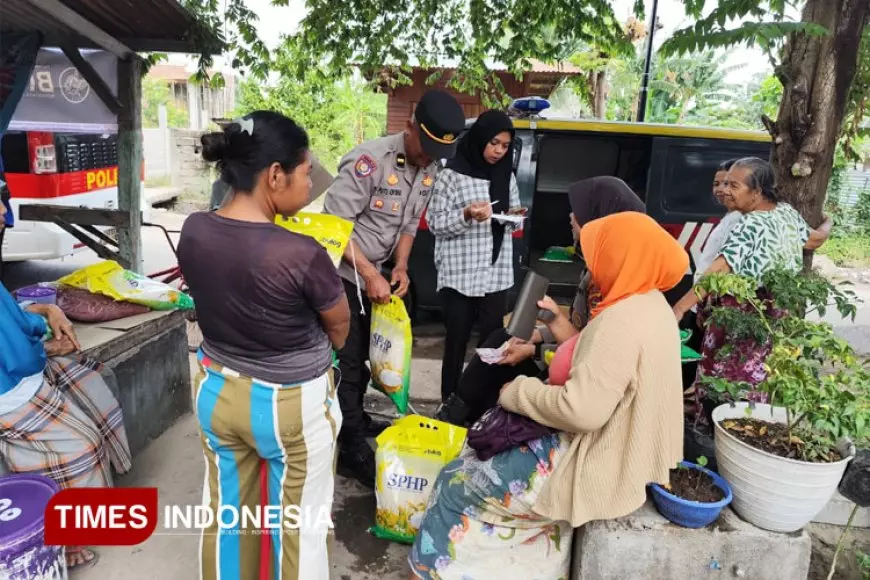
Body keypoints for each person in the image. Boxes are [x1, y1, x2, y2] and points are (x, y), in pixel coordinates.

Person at [409, 212, 688, 579]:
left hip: (593, 458)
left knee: (457, 480)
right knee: (480, 449)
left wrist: (519, 392)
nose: (590, 263)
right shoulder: (652, 305)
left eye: (598, 253)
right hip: (620, 450)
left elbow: (581, 411)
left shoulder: (620, 320)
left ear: (622, 255)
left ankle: (429, 570)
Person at [177, 111, 350, 580]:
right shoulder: (301, 252)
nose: (311, 182)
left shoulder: (193, 229)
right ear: (275, 175)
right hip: (290, 407)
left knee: (227, 518)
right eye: (307, 171)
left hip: (217, 392)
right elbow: (339, 328)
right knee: (298, 530)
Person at [323, 89, 465, 487]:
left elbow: (407, 225)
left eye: (439, 152)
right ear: (409, 126)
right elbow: (335, 227)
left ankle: (355, 416)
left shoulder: (431, 167)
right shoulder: (369, 162)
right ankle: (349, 446)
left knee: (376, 356)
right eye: (428, 147)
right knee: (347, 360)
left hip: (382, 278)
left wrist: (400, 266)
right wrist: (370, 274)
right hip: (345, 276)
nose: (429, 159)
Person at [436, 176, 644, 426]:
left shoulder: (615, 285)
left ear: (598, 221)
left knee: (498, 372)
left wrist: (535, 350)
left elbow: (589, 356)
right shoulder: (594, 269)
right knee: (500, 340)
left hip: (583, 383)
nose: (569, 216)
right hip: (570, 356)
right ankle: (457, 417)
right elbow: (579, 333)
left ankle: (461, 421)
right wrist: (538, 335)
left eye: (578, 211)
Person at [0, 279, 132, 572]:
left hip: (21, 374)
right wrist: (46, 348)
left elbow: (10, 315)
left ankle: (106, 485)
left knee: (95, 382)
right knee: (83, 445)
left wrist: (47, 310)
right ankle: (67, 539)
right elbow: (17, 355)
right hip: (10, 392)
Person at [672, 157, 824, 402]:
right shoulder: (786, 213)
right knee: (755, 377)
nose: (725, 191)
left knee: (723, 379)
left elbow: (720, 269)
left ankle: (712, 430)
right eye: (724, 184)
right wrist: (829, 223)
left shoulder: (750, 223)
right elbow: (814, 239)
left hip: (739, 317)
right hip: (771, 317)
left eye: (734, 186)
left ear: (756, 192)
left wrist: (680, 307)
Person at [428, 110, 523, 402]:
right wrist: (467, 214)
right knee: (456, 344)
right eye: (494, 142)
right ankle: (450, 403)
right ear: (480, 138)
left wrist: (512, 218)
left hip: (495, 275)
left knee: (493, 345)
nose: (499, 151)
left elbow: (516, 219)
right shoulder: (451, 175)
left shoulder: (506, 175)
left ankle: (481, 404)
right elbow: (435, 223)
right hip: (460, 275)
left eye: (505, 146)